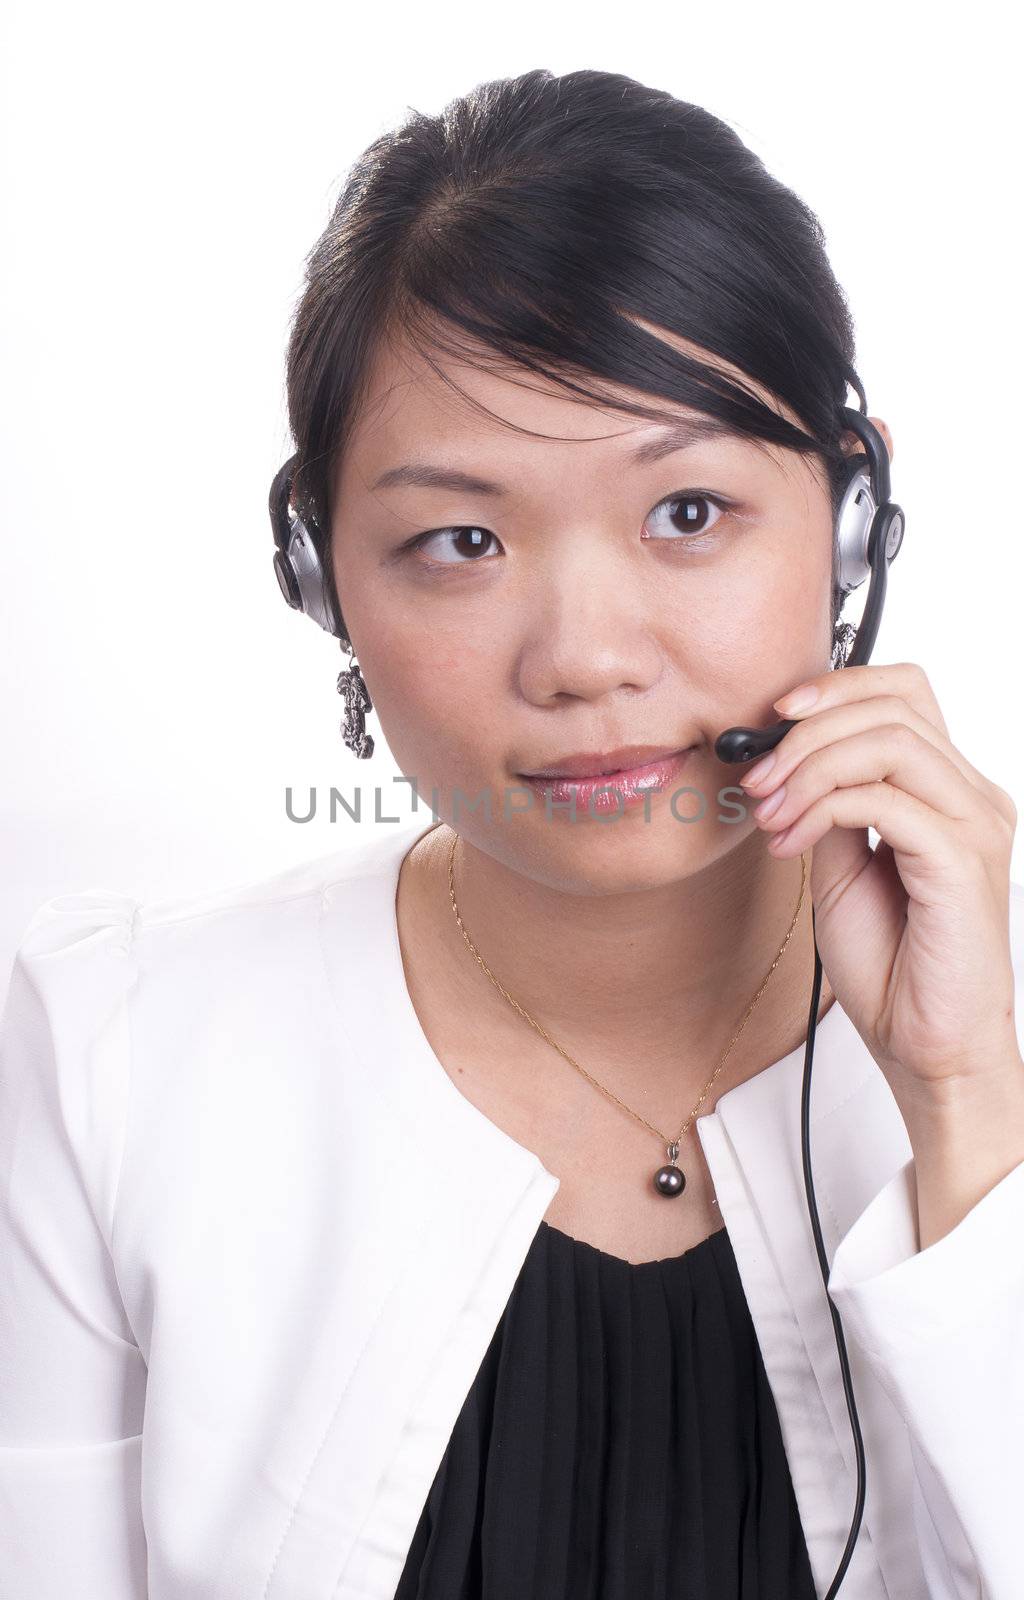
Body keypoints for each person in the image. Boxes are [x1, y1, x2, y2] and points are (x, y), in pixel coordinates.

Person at [2, 67, 1023, 1600]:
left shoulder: (993, 1046)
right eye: (460, 540)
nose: (586, 657)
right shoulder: (110, 1063)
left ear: (855, 519)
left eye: (688, 512)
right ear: (324, 578)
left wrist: (967, 1106)